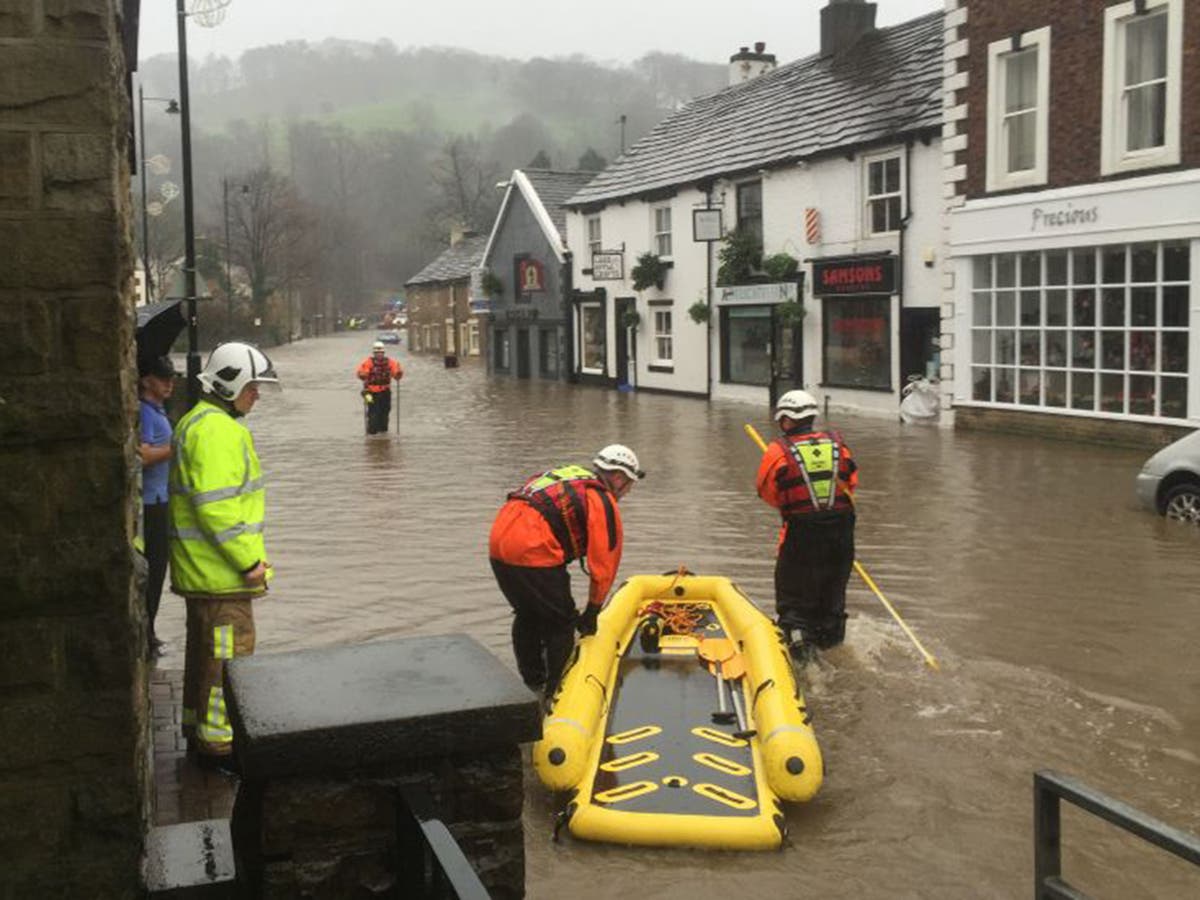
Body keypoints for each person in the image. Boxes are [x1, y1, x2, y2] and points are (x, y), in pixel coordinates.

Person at [168, 341, 279, 774]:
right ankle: (221, 747)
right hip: (223, 577)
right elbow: (216, 509)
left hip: (203, 575)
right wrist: (248, 562)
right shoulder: (218, 431)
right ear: (229, 383)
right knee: (229, 666)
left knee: (203, 658)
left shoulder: (195, 421)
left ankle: (198, 732)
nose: (257, 395)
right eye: (252, 386)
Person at [489, 445, 644, 698]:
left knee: (527, 614)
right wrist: (593, 611)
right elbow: (605, 564)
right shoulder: (600, 498)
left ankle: (531, 683)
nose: (627, 492)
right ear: (617, 477)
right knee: (561, 623)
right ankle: (554, 693)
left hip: (499, 541)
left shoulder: (567, 475)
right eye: (628, 485)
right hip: (532, 548)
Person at [755, 390, 858, 662]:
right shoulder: (839, 445)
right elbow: (851, 483)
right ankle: (833, 648)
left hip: (801, 534)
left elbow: (767, 492)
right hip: (841, 535)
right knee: (832, 600)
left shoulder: (777, 451)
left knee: (794, 604)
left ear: (786, 420)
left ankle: (803, 665)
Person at [138, 354, 176, 659]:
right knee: (154, 569)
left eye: (172, 378)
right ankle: (147, 632)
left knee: (158, 570)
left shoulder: (157, 410)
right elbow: (144, 455)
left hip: (161, 500)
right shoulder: (145, 413)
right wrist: (172, 450)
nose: (170, 383)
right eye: (163, 378)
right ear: (146, 379)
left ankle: (150, 630)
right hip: (152, 503)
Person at [356, 340, 403, 434]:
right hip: (369, 392)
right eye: (377, 353)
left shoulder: (390, 362)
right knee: (373, 412)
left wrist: (398, 374)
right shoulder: (367, 362)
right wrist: (362, 375)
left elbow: (396, 373)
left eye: (381, 353)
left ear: (384, 352)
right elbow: (361, 372)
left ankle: (383, 433)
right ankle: (372, 433)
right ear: (374, 353)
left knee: (385, 411)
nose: (379, 354)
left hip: (385, 391)